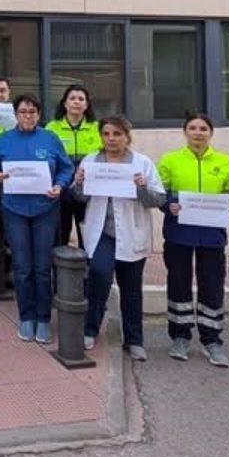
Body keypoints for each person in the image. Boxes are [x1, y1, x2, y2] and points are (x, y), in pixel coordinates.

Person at [72, 116, 165, 360]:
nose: (111, 139)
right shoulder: (92, 161)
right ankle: (91, 329)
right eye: (107, 134)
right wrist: (80, 183)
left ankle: (134, 340)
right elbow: (79, 198)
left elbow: (158, 200)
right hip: (101, 232)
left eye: (117, 134)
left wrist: (142, 187)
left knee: (131, 287)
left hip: (133, 233)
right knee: (99, 277)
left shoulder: (142, 163)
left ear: (127, 136)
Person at [157, 114, 229, 366]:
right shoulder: (170, 159)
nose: (198, 132)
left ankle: (212, 340)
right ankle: (180, 337)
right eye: (192, 128)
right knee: (178, 283)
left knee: (212, 284)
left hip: (213, 235)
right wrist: (168, 205)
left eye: (203, 128)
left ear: (211, 133)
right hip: (178, 232)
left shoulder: (225, 161)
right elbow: (160, 192)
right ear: (185, 132)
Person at [0, 93, 72, 342]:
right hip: (14, 209)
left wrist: (60, 185)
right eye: (23, 111)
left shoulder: (50, 138)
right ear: (15, 114)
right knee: (22, 267)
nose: (28, 116)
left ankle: (44, 318)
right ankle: (27, 316)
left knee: (42, 267)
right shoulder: (3, 140)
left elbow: (66, 167)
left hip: (45, 208)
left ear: (39, 114)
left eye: (32, 111)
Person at [46, 85, 101, 248]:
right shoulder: (52, 127)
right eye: (72, 98)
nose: (76, 102)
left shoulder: (97, 128)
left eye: (81, 99)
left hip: (88, 188)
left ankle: (88, 270)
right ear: (65, 103)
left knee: (87, 232)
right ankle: (59, 271)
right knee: (60, 232)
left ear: (86, 104)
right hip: (60, 187)